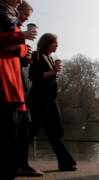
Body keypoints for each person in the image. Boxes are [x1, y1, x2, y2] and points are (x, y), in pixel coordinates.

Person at [28, 33, 77, 171]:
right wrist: (52, 71)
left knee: (56, 131)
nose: (57, 45)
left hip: (49, 101)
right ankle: (15, 161)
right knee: (31, 132)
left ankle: (65, 163)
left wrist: (53, 70)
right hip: (39, 102)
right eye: (55, 42)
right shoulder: (37, 55)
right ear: (47, 43)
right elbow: (33, 76)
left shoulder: (50, 57)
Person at [0, 0, 36, 179]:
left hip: (13, 78)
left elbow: (18, 49)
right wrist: (20, 38)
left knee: (18, 127)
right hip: (5, 75)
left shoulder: (10, 16)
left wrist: (21, 48)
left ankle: (18, 166)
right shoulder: (4, 14)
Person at [14, 0, 44, 177]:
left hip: (17, 79)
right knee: (20, 123)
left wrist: (26, 56)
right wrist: (23, 47)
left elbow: (17, 56)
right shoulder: (11, 27)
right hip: (10, 81)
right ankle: (19, 164)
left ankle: (21, 163)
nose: (26, 19)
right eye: (24, 14)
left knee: (24, 123)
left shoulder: (17, 28)